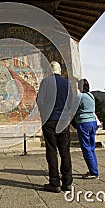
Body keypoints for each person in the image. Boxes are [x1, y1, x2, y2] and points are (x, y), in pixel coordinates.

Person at [37, 61, 73, 193]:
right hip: (63, 120)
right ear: (59, 70)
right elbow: (70, 102)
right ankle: (67, 182)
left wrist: (45, 113)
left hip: (50, 120)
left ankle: (54, 182)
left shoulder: (45, 82)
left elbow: (39, 101)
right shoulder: (67, 83)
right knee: (65, 152)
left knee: (51, 151)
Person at [75, 78, 99, 179]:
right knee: (91, 148)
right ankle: (94, 170)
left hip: (84, 122)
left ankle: (93, 172)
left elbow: (73, 109)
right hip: (92, 122)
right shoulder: (91, 96)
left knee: (86, 148)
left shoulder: (80, 96)